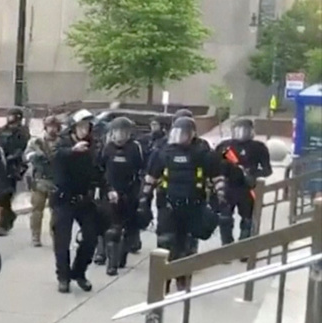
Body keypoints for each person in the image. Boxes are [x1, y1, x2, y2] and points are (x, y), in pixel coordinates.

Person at [142, 116, 225, 291]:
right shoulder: (163, 152)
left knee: (186, 246)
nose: (180, 137)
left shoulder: (203, 153)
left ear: (192, 134)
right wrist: (144, 199)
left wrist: (220, 198)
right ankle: (163, 280)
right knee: (165, 243)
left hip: (193, 205)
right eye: (177, 133)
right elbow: (151, 178)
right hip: (168, 204)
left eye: (184, 134)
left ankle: (182, 279)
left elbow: (217, 177)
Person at [50, 109, 102, 293]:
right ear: (73, 127)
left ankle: (79, 272)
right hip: (63, 198)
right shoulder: (62, 143)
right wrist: (72, 151)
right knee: (62, 240)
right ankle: (63, 277)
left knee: (91, 237)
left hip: (83, 199)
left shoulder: (93, 145)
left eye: (87, 127)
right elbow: (54, 156)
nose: (84, 130)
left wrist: (107, 188)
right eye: (81, 126)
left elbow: (99, 169)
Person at [213, 117, 271, 245]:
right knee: (225, 218)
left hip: (247, 188)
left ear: (251, 131)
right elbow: (214, 166)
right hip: (228, 186)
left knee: (247, 219)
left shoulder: (258, 147)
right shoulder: (224, 146)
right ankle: (226, 245)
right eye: (238, 130)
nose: (241, 133)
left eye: (245, 130)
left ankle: (244, 245)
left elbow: (267, 170)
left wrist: (253, 173)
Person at [98, 117, 145, 276]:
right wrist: (105, 189)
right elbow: (99, 169)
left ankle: (121, 256)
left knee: (128, 228)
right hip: (110, 192)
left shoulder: (135, 148)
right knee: (111, 228)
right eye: (118, 132)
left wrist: (140, 193)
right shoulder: (107, 148)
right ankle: (108, 260)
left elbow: (141, 170)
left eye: (124, 132)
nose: (120, 136)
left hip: (129, 193)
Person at [0, 107, 31, 236]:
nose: (9, 118)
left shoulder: (22, 132)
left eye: (12, 115)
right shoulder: (0, 131)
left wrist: (11, 158)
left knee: (6, 196)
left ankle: (4, 225)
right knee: (0, 197)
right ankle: (9, 216)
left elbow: (21, 149)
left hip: (12, 167)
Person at [24, 116, 61, 247]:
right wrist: (34, 156)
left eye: (55, 126)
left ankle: (56, 236)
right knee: (37, 210)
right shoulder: (36, 142)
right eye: (50, 126)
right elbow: (26, 155)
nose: (52, 129)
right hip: (40, 179)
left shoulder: (62, 142)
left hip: (56, 180)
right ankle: (35, 236)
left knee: (56, 212)